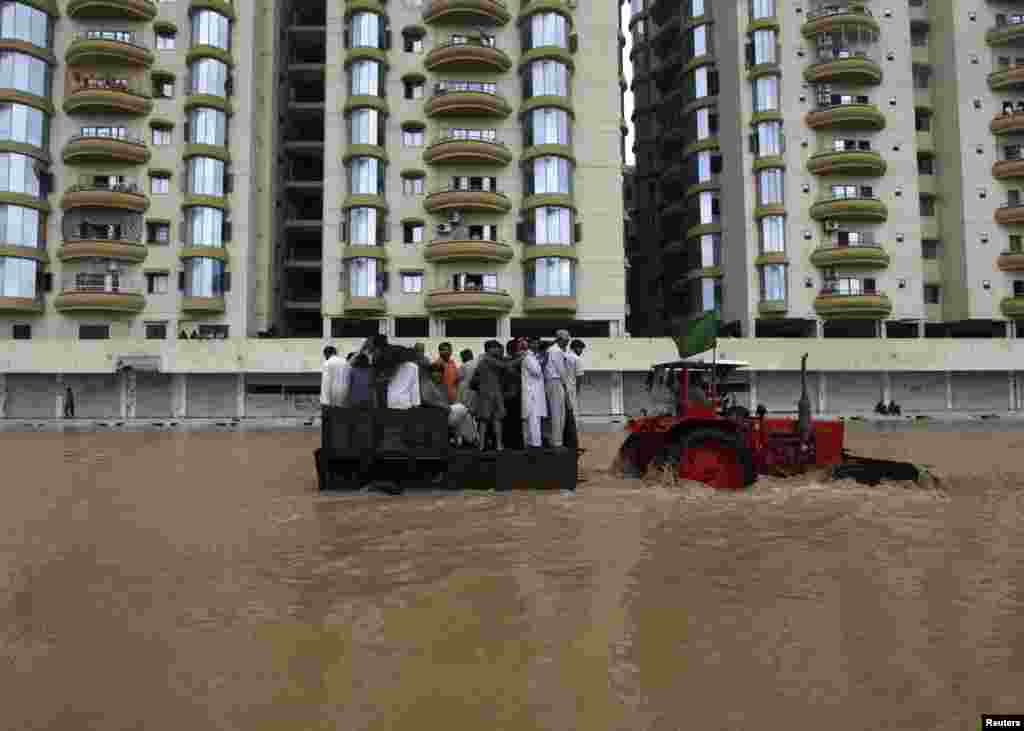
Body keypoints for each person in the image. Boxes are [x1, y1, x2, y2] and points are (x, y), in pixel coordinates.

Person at [471, 339, 520, 451]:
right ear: (490, 349)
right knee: (485, 420)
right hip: (488, 394)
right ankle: (484, 444)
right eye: (497, 348)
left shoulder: (484, 360)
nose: (499, 350)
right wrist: (522, 357)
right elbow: (505, 365)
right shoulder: (486, 359)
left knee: (496, 420)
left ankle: (494, 444)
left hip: (494, 392)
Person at [541, 330, 570, 448]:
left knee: (553, 413)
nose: (568, 341)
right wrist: (565, 385)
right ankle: (557, 442)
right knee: (558, 413)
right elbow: (561, 370)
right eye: (566, 339)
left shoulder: (551, 349)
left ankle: (552, 439)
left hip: (550, 382)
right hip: (555, 382)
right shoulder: (556, 351)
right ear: (560, 339)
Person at [521, 336, 547, 447]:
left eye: (538, 343)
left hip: (535, 393)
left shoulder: (534, 357)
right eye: (534, 343)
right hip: (532, 394)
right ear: (529, 344)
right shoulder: (528, 357)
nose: (536, 345)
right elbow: (537, 372)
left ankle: (533, 443)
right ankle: (535, 444)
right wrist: (544, 361)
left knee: (535, 420)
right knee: (533, 420)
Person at [502, 339, 526, 450]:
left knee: (510, 421)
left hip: (509, 395)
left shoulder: (507, 360)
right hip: (513, 395)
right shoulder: (516, 361)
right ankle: (514, 444)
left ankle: (509, 443)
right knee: (514, 421)